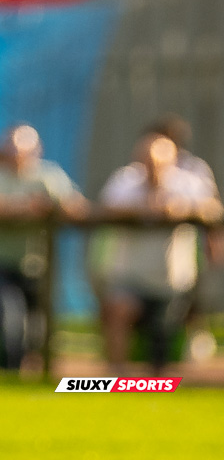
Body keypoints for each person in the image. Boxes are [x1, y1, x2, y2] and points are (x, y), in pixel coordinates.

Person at [92, 130, 222, 372]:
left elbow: (214, 210)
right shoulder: (125, 181)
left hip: (173, 282)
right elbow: (104, 209)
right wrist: (137, 211)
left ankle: (158, 386)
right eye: (147, 160)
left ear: (172, 159)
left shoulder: (188, 183)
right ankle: (115, 378)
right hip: (130, 276)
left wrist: (183, 209)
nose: (152, 167)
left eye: (158, 161)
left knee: (163, 341)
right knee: (118, 310)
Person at [0, 124, 89, 371]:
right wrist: (28, 208)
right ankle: (7, 376)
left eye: (22, 150)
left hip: (38, 265)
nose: (17, 156)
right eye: (12, 149)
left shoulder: (49, 175)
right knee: (10, 323)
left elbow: (77, 208)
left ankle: (35, 376)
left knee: (39, 330)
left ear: (36, 151)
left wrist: (55, 206)